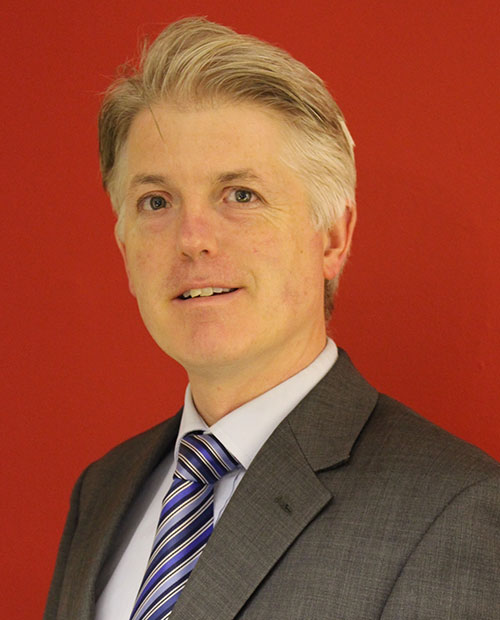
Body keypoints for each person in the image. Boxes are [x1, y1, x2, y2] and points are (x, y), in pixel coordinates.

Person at [44, 17, 499, 620]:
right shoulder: (102, 492)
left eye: (240, 195)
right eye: (156, 201)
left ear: (332, 238)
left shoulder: (453, 509)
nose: (192, 239)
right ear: (124, 246)